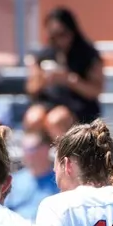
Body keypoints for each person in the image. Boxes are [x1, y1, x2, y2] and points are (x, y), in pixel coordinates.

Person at [23, 8, 104, 140]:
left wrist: (69, 80)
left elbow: (95, 90)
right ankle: (35, 159)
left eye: (62, 34)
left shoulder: (88, 55)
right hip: (49, 102)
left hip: (78, 105)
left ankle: (63, 158)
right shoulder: (44, 55)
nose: (59, 40)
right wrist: (41, 78)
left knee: (56, 120)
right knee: (33, 118)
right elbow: (31, 89)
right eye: (53, 35)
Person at [5, 130, 59, 221]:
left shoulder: (60, 180)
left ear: (45, 149)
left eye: (32, 149)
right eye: (24, 149)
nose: (27, 154)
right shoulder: (14, 180)